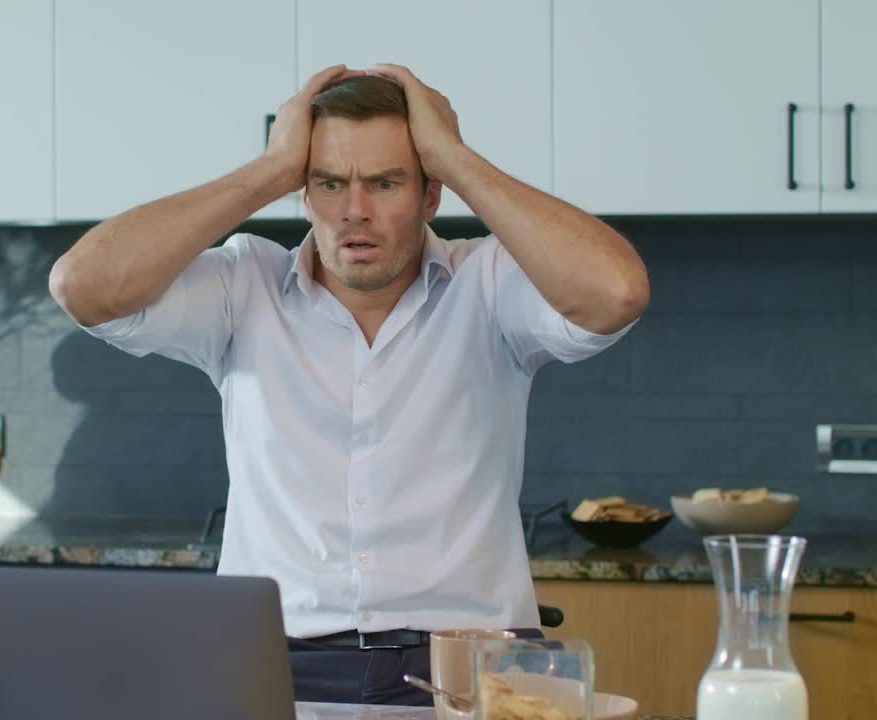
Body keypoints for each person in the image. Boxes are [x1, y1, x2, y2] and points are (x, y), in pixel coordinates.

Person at [48, 64, 650, 705]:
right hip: (268, 669)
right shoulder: (242, 285)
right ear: (302, 193)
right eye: (328, 183)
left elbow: (617, 292)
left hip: (473, 674)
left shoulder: (492, 284)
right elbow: (82, 288)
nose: (354, 212)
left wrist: (455, 156)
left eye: (386, 182)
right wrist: (267, 172)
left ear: (431, 195)